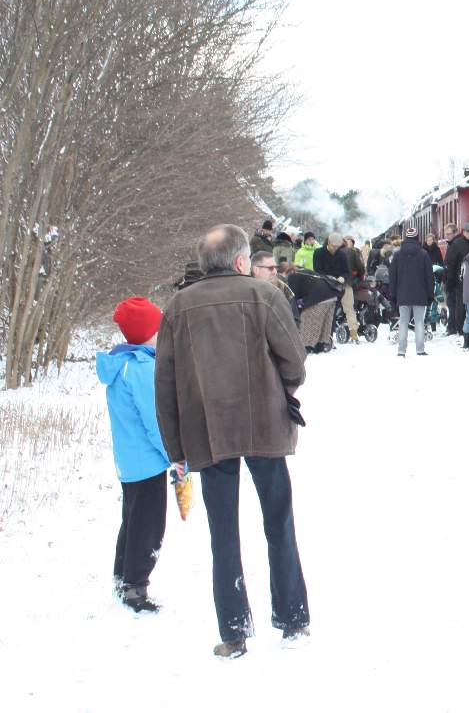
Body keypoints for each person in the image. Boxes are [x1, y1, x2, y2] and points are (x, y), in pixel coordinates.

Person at [154, 224, 310, 658]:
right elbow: (294, 361)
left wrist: (176, 449)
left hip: (207, 429)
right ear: (242, 261)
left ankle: (235, 631)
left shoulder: (178, 307)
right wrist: (284, 392)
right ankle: (293, 618)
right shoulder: (265, 296)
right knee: (279, 522)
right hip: (265, 422)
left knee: (223, 533)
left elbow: (163, 383)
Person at [97, 296, 176, 615]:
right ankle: (135, 586)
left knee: (132, 520)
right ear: (147, 333)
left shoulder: (123, 363)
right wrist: (173, 453)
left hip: (130, 461)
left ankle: (123, 576)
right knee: (149, 525)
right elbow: (154, 419)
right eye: (158, 329)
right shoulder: (141, 368)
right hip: (147, 461)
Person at [389, 227, 435, 357]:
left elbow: (393, 276)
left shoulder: (397, 255)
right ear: (417, 238)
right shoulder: (423, 254)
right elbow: (429, 277)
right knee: (419, 322)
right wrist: (430, 294)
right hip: (420, 294)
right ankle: (420, 350)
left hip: (402, 294)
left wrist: (393, 294)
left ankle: (401, 350)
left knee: (403, 321)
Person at [285, 265, 341, 353]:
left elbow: (293, 297)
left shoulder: (292, 277)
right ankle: (321, 344)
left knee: (307, 318)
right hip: (332, 294)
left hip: (319, 296)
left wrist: (296, 312)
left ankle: (307, 346)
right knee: (325, 322)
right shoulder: (305, 272)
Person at [441, 224, 469, 336]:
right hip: (454, 280)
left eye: (449, 234)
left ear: (455, 233)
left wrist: (448, 281)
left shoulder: (455, 245)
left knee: (454, 305)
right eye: (446, 234)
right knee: (453, 304)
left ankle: (453, 327)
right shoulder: (453, 243)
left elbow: (451, 265)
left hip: (455, 281)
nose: (447, 236)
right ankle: (452, 326)